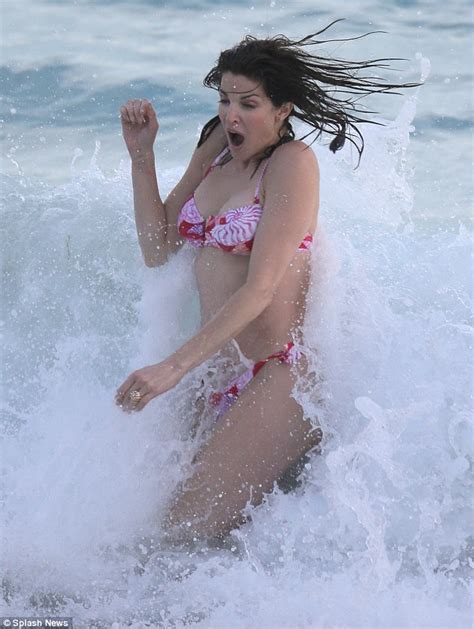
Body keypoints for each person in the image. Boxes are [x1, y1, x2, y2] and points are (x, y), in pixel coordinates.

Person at [115, 22, 418, 544]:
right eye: (225, 99)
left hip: (278, 378)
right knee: (165, 534)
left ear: (283, 111)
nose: (231, 114)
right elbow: (157, 247)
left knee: (183, 537)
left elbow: (260, 290)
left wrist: (173, 367)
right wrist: (142, 157)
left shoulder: (291, 165)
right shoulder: (216, 151)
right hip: (216, 376)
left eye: (249, 103)